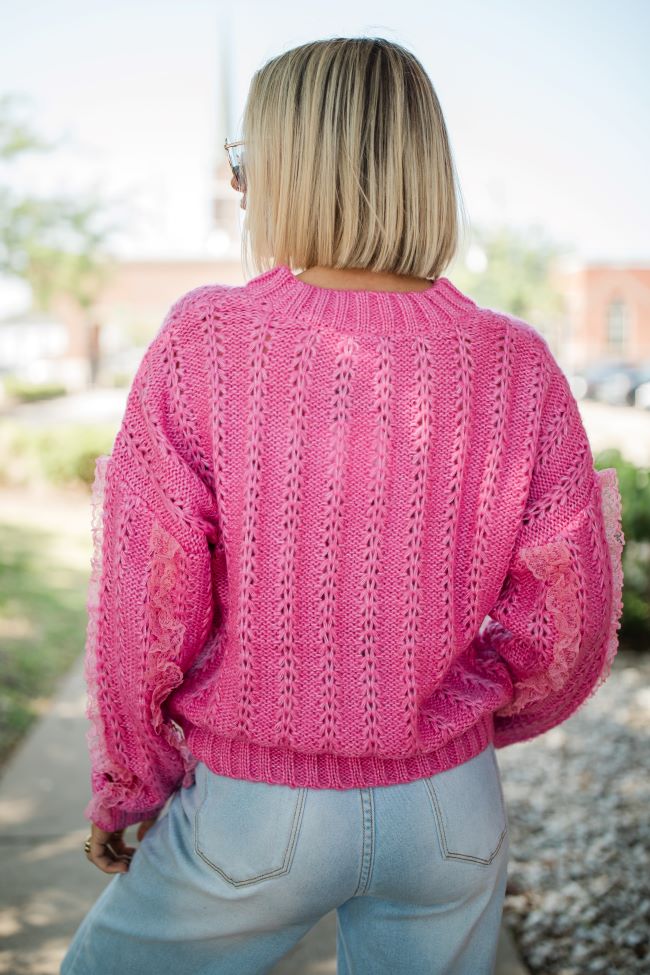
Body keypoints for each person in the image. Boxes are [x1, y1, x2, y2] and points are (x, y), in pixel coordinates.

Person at [60, 36, 624, 975]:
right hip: (452, 808)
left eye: (247, 163)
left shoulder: (208, 338)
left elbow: (141, 606)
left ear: (293, 169)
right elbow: (571, 609)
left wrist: (130, 787)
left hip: (255, 811)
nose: (240, 188)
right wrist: (472, 713)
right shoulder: (514, 361)